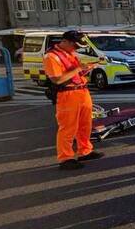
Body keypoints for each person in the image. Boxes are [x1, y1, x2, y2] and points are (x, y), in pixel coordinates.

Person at [44, 30, 104, 170]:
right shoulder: (51, 57)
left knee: (85, 124)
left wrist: (86, 69)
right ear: (66, 42)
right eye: (75, 46)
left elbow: (74, 73)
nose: (76, 49)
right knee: (68, 128)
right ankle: (65, 158)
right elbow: (57, 79)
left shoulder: (70, 53)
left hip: (82, 91)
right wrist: (78, 69)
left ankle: (85, 151)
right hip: (67, 95)